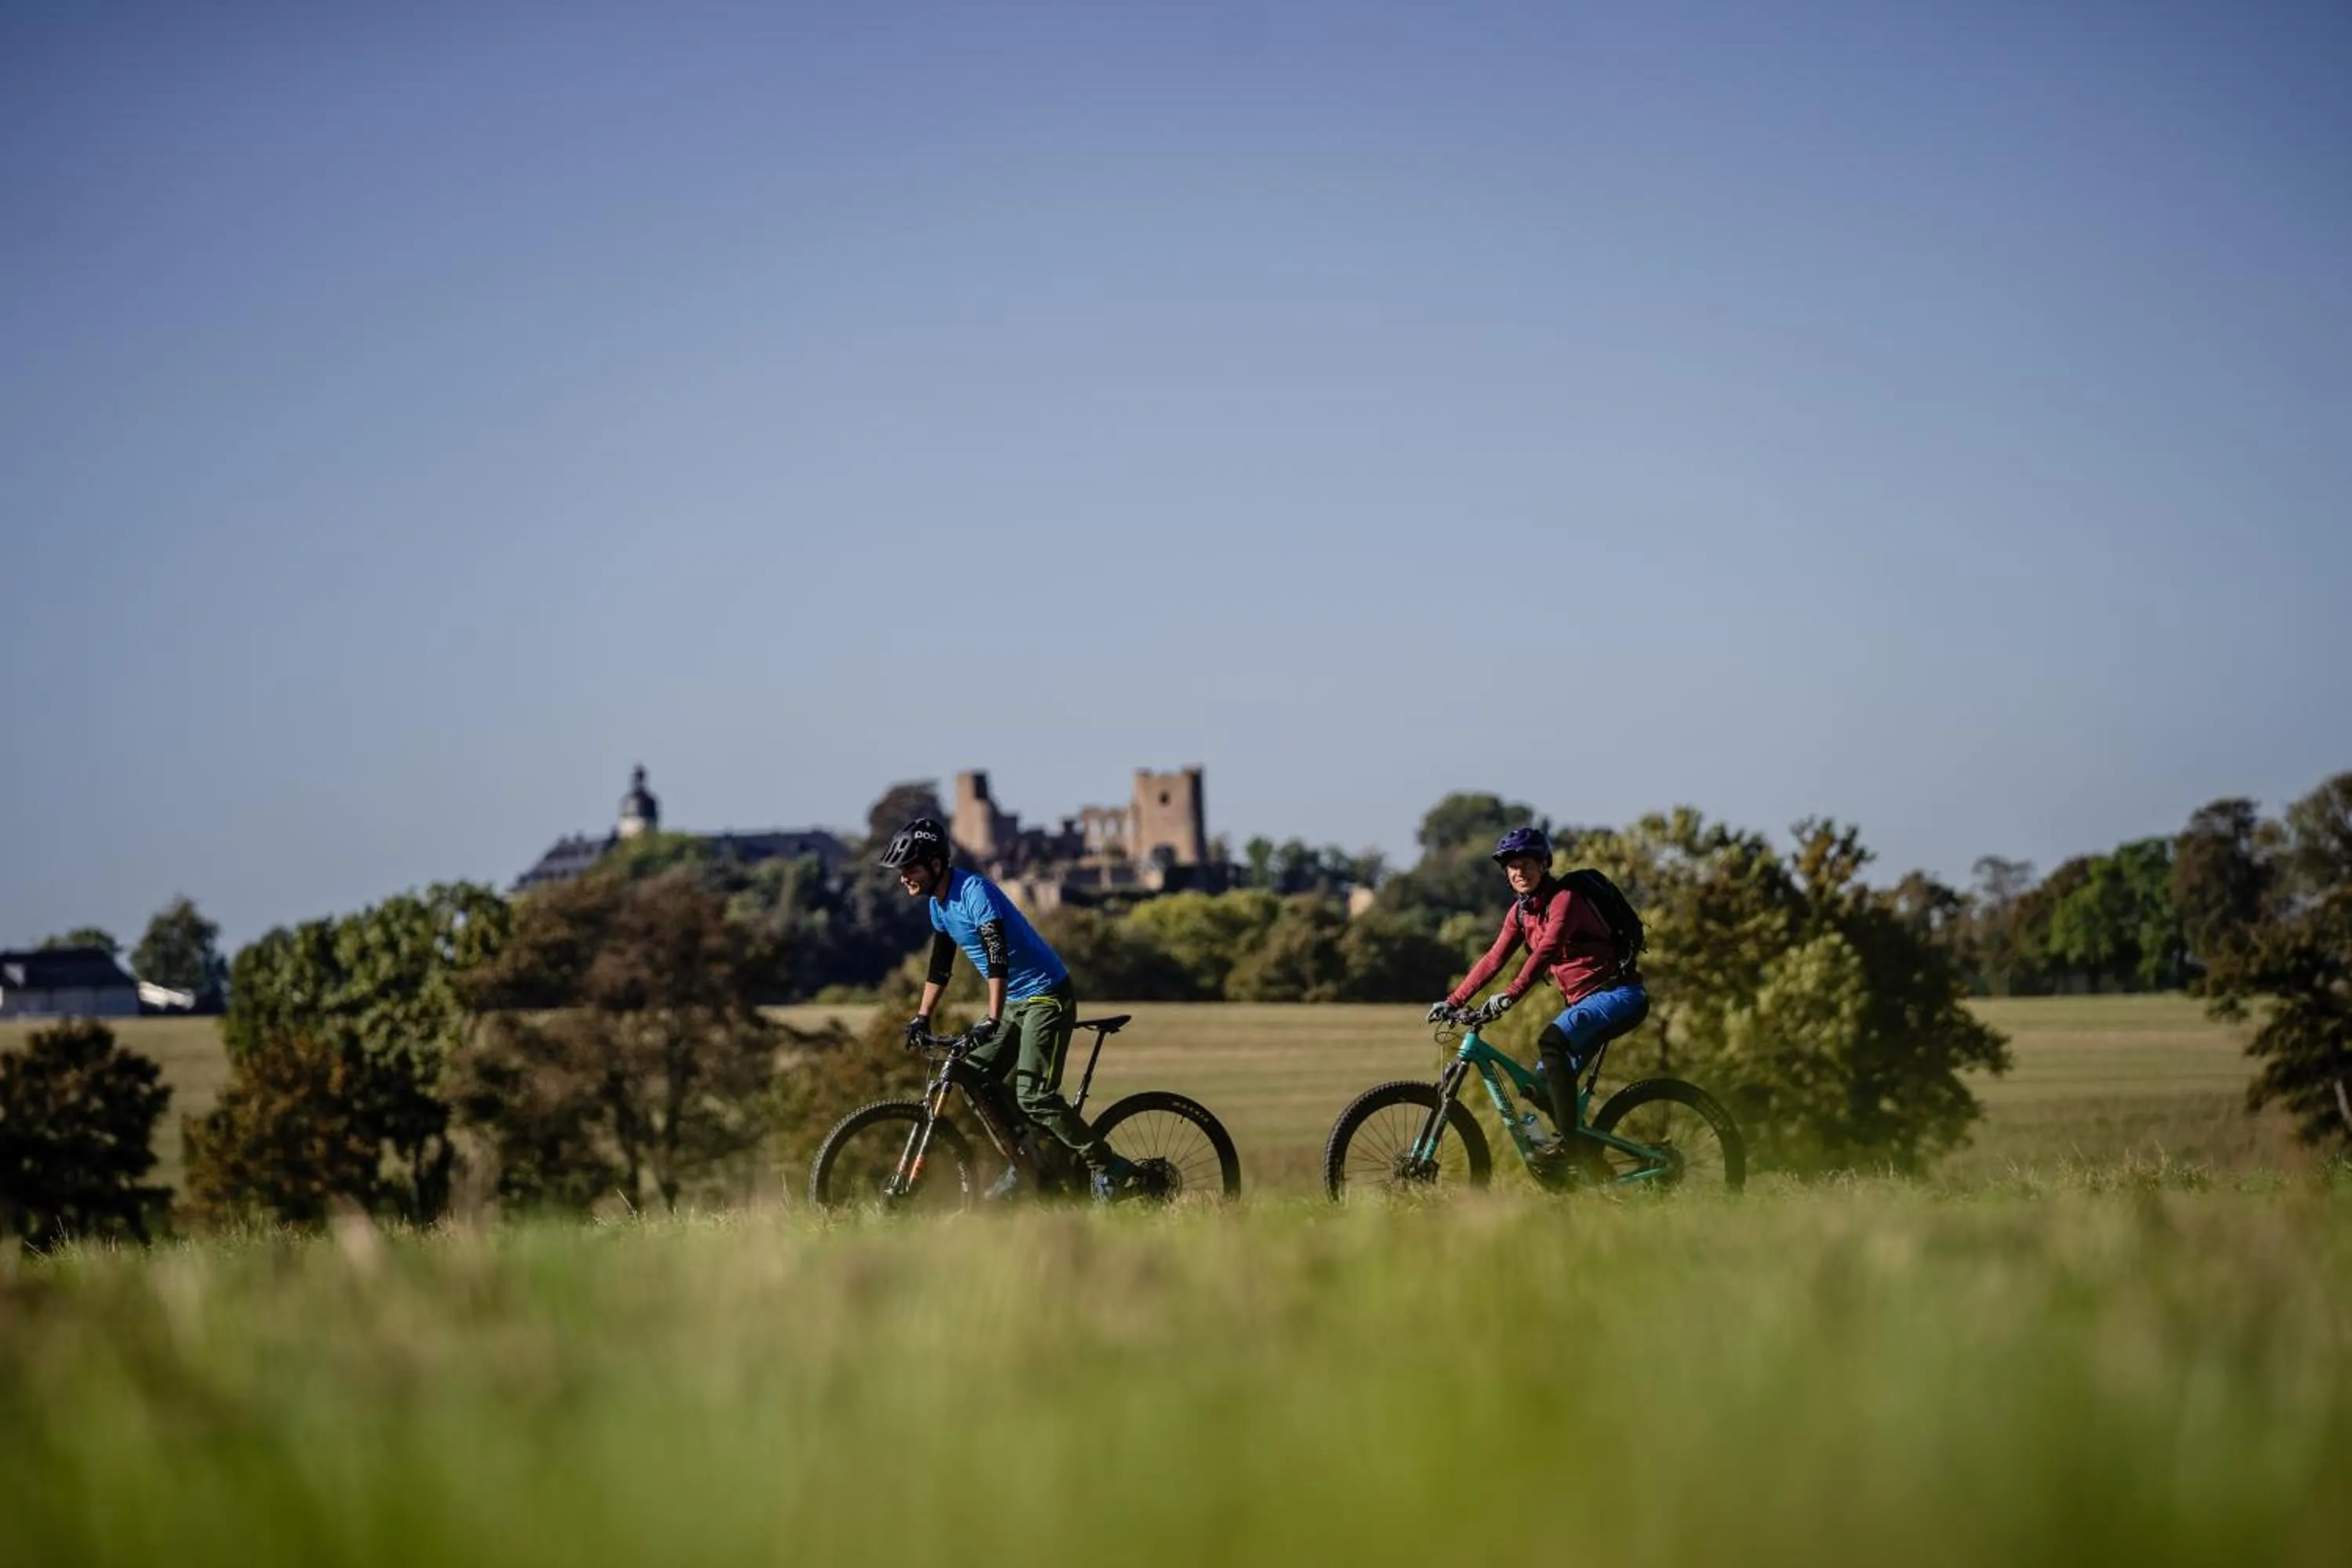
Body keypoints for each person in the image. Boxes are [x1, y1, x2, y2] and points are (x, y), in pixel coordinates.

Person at [879, 816, 1142, 1201]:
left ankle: (1108, 1166)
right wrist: (922, 1016)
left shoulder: (975, 892)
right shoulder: (938, 905)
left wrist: (993, 1017)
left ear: (935, 864)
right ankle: (1026, 1158)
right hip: (1014, 1001)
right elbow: (940, 968)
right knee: (974, 1074)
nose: (904, 878)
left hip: (1046, 995)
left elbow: (996, 956)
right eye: (901, 871)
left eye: (911, 869)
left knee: (1034, 1094)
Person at [1429, 826, 1648, 1174]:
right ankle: (1592, 1165)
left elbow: (1546, 950)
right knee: (1539, 1087)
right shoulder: (1521, 913)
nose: (1519, 872)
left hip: (1618, 995)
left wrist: (1510, 995)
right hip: (1583, 1005)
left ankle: (1572, 1147)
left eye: (1527, 864)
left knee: (1551, 1042)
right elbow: (1493, 959)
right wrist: (1453, 1001)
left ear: (1544, 864)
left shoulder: (1566, 899)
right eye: (1512, 867)